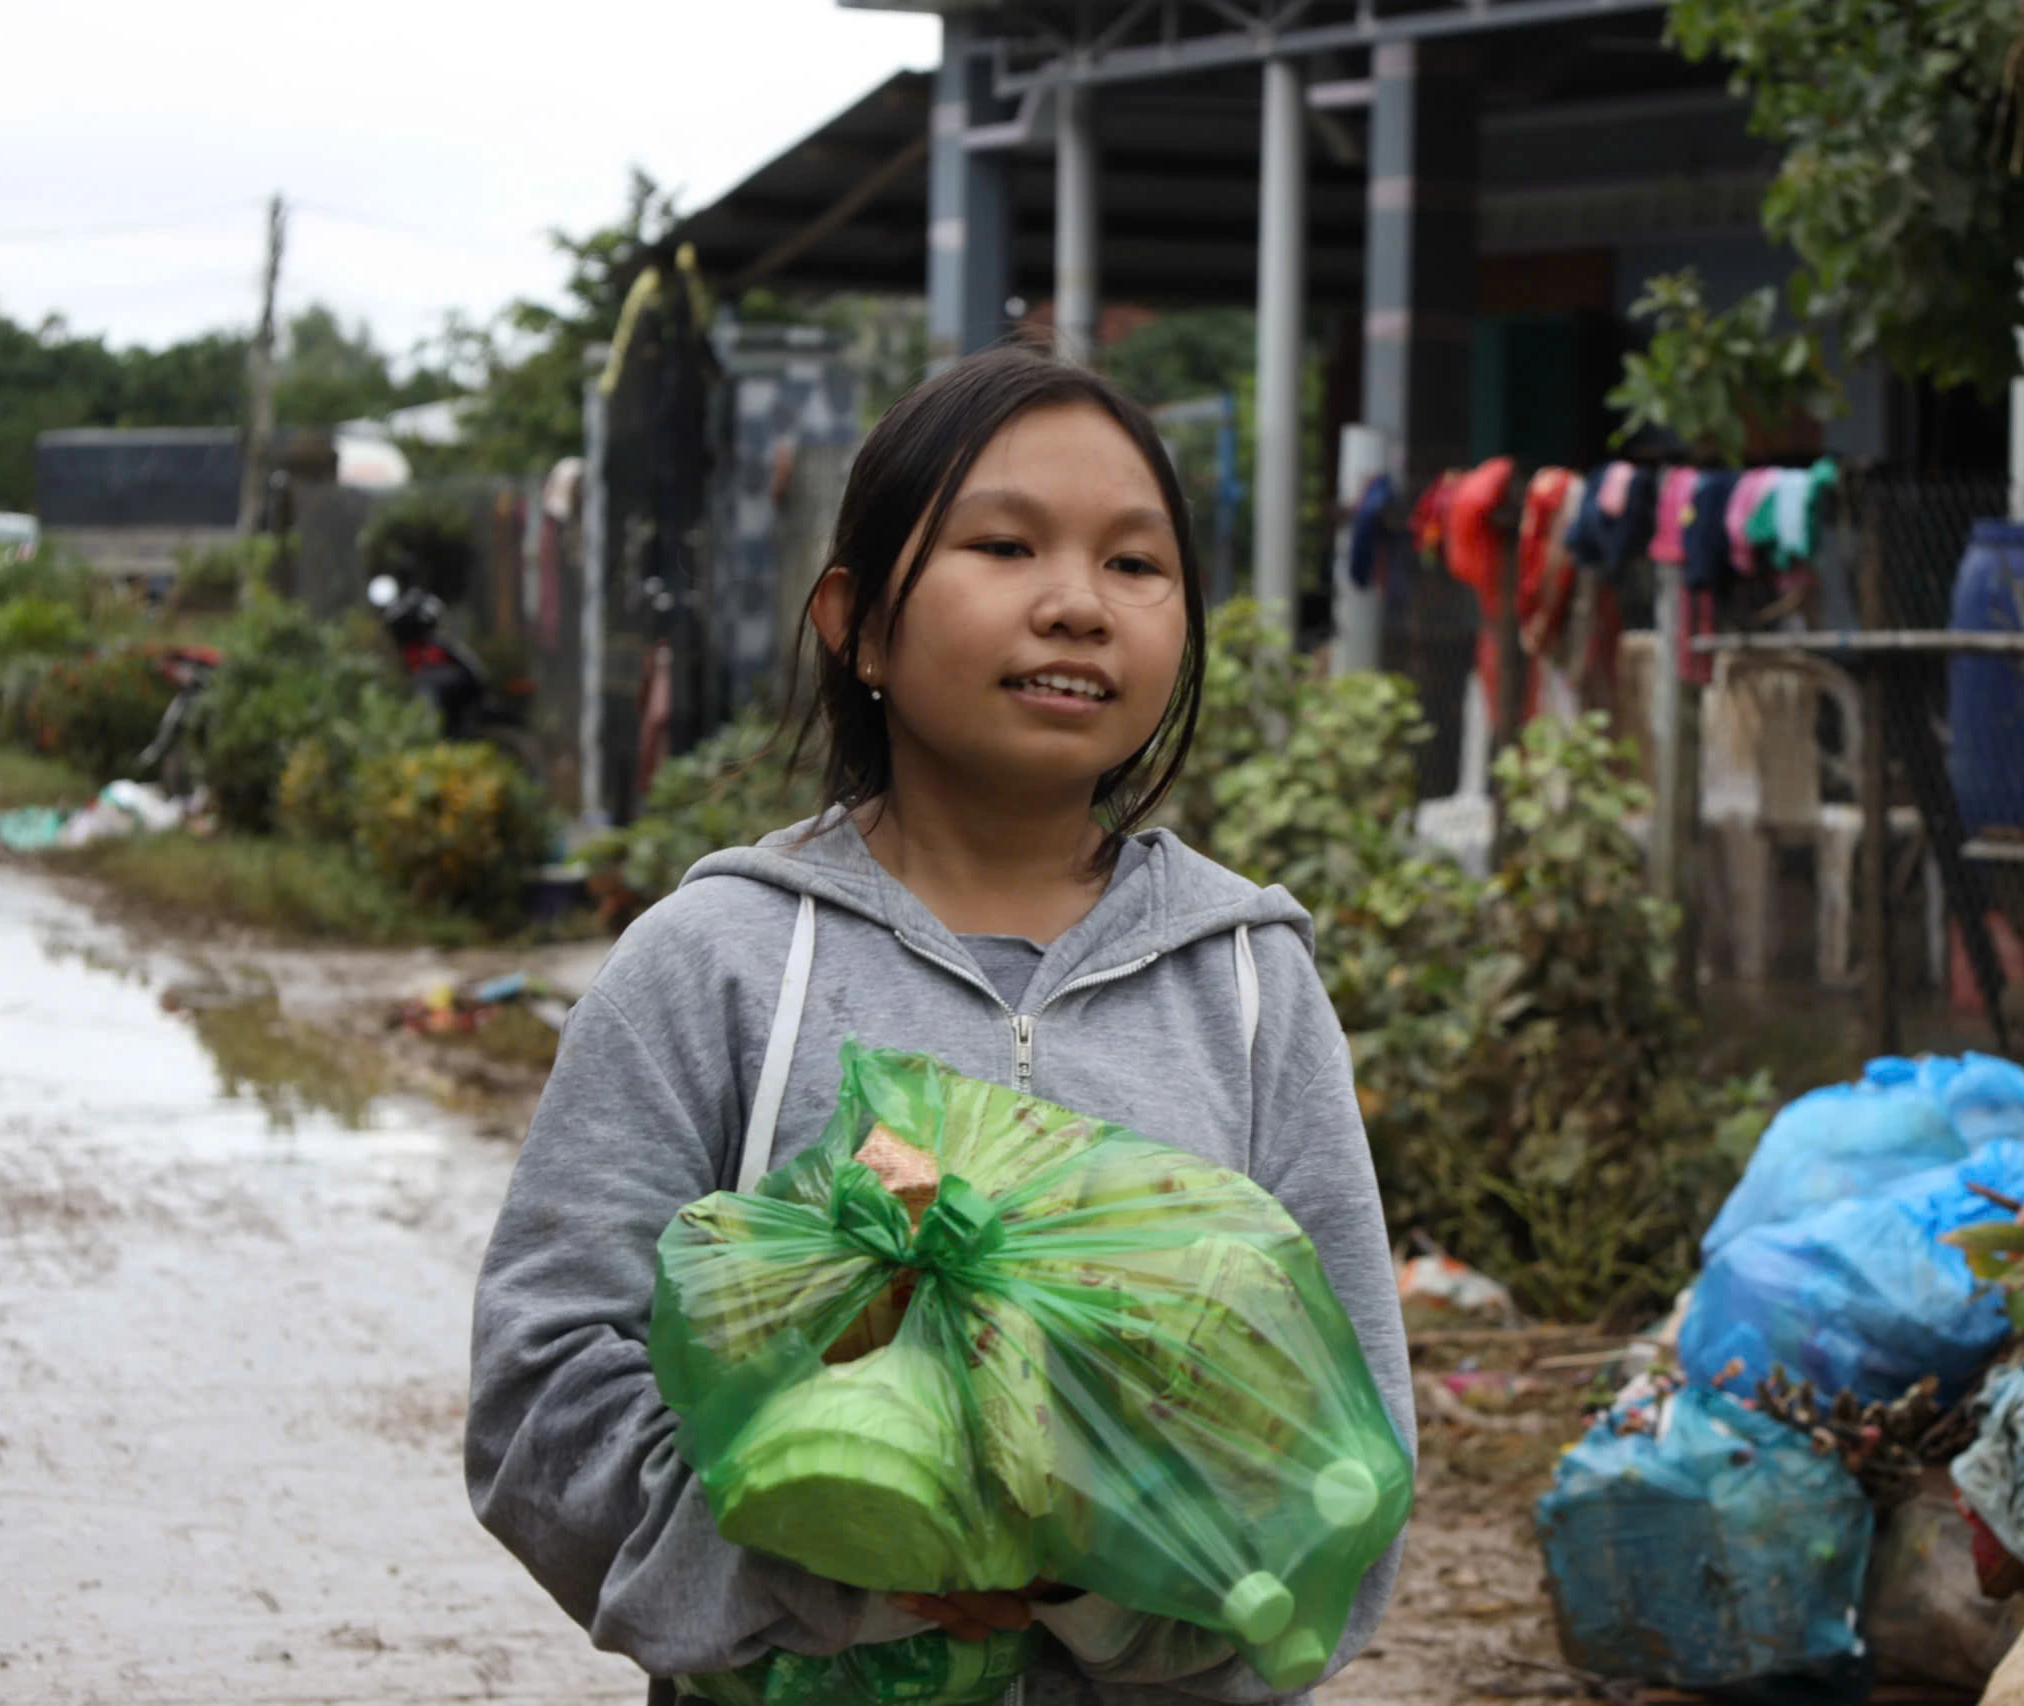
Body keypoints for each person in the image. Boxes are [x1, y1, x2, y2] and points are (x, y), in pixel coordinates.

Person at [465, 344, 1415, 1706]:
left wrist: (1109, 1563)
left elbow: (1351, 1444)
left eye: (1136, 566)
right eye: (1008, 544)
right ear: (855, 621)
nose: (1078, 605)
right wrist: (844, 1547)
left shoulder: (1250, 984)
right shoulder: (721, 964)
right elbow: (540, 1395)